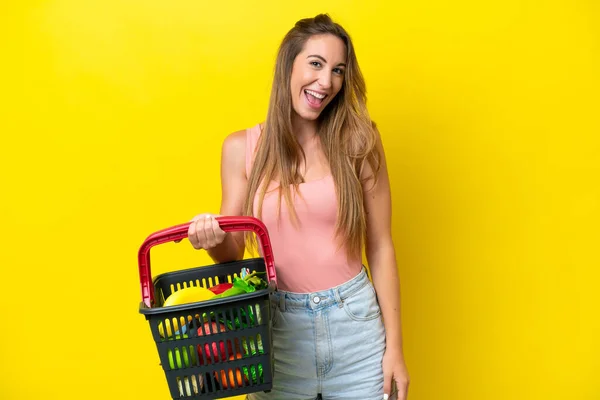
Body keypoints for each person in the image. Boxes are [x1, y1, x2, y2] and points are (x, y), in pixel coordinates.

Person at [186, 13, 409, 400]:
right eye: (316, 64)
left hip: (355, 326)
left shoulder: (359, 141)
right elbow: (232, 252)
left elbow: (381, 246)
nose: (327, 82)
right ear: (288, 64)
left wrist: (396, 350)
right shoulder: (240, 149)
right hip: (278, 332)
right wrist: (211, 238)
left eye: (338, 70)